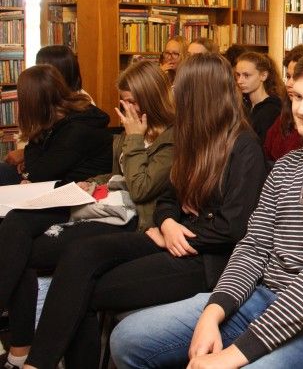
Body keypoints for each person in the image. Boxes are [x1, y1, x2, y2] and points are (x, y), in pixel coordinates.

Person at [110, 47, 303, 369]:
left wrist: (232, 356)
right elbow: (253, 247)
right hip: (264, 298)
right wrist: (213, 312)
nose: (302, 109)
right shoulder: (286, 165)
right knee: (127, 339)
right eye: (297, 97)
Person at [22, 53, 267, 369]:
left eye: (179, 87)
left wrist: (181, 230)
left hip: (206, 259)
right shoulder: (193, 138)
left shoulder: (244, 146)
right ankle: (35, 364)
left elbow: (234, 226)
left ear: (199, 94)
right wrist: (168, 223)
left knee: (85, 291)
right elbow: (168, 199)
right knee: (81, 253)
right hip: (173, 236)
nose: (174, 94)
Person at [0, 61, 175, 369]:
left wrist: (134, 138)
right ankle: (20, 352)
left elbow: (141, 188)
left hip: (136, 223)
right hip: (109, 209)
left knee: (55, 256)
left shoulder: (171, 138)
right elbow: (118, 175)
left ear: (151, 99)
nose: (126, 108)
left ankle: (28, 357)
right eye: (124, 101)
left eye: (132, 101)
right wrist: (93, 182)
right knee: (19, 243)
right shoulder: (128, 133)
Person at [0, 65, 112, 186]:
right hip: (58, 182)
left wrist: (29, 160)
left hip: (70, 189)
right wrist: (30, 161)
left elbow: (37, 174)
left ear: (32, 102)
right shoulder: (58, 118)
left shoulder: (77, 128)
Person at [263, 45, 303, 163]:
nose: (289, 84)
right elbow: (266, 154)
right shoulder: (282, 118)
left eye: (296, 77)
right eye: (288, 77)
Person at [234, 52, 284, 143]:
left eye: (246, 75)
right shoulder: (242, 104)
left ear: (263, 76)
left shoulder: (272, 110)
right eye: (238, 75)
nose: (239, 81)